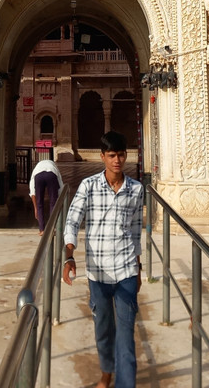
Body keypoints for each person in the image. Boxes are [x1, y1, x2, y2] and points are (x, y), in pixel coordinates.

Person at [63, 131, 144, 388]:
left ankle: (124, 383)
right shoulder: (88, 186)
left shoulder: (136, 189)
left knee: (126, 337)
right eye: (112, 155)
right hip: (98, 273)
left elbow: (135, 231)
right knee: (103, 329)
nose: (117, 160)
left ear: (126, 155)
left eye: (121, 154)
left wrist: (138, 267)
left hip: (126, 271)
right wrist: (69, 255)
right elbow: (73, 219)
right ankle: (107, 371)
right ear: (103, 157)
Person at [29, 156, 64, 235]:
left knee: (39, 203)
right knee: (53, 202)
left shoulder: (36, 169)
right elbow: (61, 186)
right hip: (51, 174)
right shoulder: (54, 166)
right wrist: (60, 202)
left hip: (39, 176)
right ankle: (52, 228)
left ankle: (42, 230)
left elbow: (33, 192)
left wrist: (35, 208)